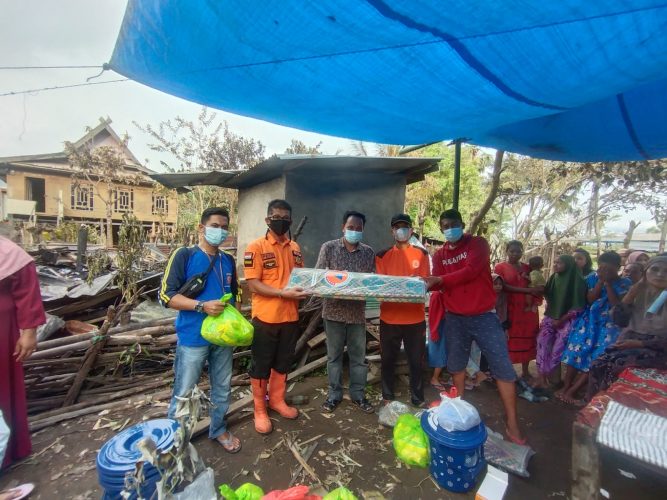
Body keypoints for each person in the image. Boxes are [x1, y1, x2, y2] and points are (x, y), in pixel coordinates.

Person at [425, 209, 525, 444]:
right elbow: (438, 282)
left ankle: (512, 424)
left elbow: (470, 272)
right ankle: (459, 415)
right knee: (457, 367)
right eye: (445, 226)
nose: (450, 229)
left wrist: (439, 280)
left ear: (462, 224)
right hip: (455, 318)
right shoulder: (439, 255)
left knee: (503, 369)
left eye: (454, 224)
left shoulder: (478, 244)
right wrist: (423, 282)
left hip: (484, 316)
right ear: (441, 229)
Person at [160, 207, 241, 453]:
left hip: (223, 338)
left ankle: (218, 429)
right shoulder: (183, 255)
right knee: (184, 389)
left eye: (224, 226)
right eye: (215, 225)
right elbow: (166, 296)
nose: (220, 231)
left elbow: (236, 294)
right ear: (201, 227)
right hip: (193, 336)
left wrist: (236, 327)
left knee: (223, 386)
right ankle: (175, 440)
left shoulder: (228, 260)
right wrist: (201, 306)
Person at [244, 199, 308, 433]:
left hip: (290, 317)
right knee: (261, 366)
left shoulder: (295, 248)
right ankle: (260, 409)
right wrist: (283, 293)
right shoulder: (256, 247)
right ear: (267, 220)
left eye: (285, 218)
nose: (281, 222)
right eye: (276, 217)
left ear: (290, 221)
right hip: (265, 318)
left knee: (282, 363)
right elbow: (253, 284)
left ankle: (278, 400)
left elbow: (301, 278)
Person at [316, 211, 376, 413]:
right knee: (334, 357)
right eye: (351, 227)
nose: (355, 231)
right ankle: (334, 395)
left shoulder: (368, 252)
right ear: (343, 227)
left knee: (358, 358)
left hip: (357, 315)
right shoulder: (329, 248)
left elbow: (370, 282)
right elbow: (318, 278)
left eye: (359, 228)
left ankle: (358, 395)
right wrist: (337, 281)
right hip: (333, 313)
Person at [586, 255, 667, 400]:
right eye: (655, 269)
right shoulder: (637, 293)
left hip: (658, 348)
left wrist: (640, 343)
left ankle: (610, 406)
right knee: (598, 363)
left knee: (618, 365)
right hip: (630, 341)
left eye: (666, 271)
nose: (660, 274)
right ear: (646, 273)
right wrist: (632, 293)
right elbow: (619, 320)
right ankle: (594, 404)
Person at [558, 251, 632, 404]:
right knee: (576, 353)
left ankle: (573, 391)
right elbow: (591, 300)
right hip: (589, 323)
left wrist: (607, 284)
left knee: (597, 359)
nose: (604, 272)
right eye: (602, 268)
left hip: (610, 327)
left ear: (618, 268)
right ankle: (566, 388)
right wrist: (600, 282)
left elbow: (616, 306)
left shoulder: (626, 284)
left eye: (609, 270)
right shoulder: (591, 279)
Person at [0, 230, 46, 467]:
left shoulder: (8, 253)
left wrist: (29, 331)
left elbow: (26, 290)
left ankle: (8, 450)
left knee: (3, 389)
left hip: (2, 328)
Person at [375, 214, 430, 406]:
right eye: (397, 227)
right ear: (392, 231)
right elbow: (381, 287)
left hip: (414, 320)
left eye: (405, 227)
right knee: (388, 359)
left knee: (416, 361)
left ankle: (417, 397)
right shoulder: (382, 256)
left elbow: (423, 285)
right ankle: (388, 396)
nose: (401, 230)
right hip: (389, 318)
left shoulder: (422, 254)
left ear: (411, 230)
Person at [534, 255, 587, 388]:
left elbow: (579, 306)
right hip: (551, 317)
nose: (555, 265)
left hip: (568, 320)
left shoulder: (578, 281)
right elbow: (548, 294)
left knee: (557, 351)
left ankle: (553, 379)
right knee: (542, 344)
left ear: (568, 264)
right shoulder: (554, 277)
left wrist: (562, 319)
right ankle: (542, 378)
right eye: (555, 262)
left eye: (559, 263)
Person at [494, 241, 541, 381]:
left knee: (528, 337)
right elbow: (503, 286)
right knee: (508, 339)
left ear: (522, 252)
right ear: (507, 251)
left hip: (527, 310)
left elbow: (535, 283)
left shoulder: (528, 268)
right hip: (510, 308)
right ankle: (508, 371)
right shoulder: (500, 267)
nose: (515, 254)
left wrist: (535, 292)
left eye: (518, 251)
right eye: (512, 251)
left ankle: (525, 371)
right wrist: (527, 290)